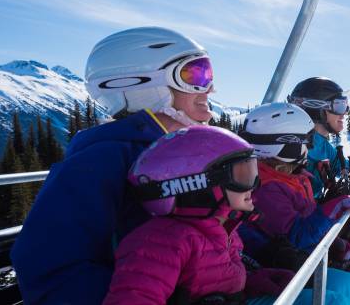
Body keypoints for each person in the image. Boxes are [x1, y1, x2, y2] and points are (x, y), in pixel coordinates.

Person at [11, 27, 218, 304]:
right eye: (194, 75)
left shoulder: (180, 156)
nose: (210, 88)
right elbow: (51, 270)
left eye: (208, 74)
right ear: (141, 85)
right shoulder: (98, 163)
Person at [105, 126, 302, 304]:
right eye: (244, 176)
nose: (254, 186)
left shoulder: (225, 229)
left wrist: (253, 281)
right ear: (198, 186)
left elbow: (212, 280)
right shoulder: (160, 241)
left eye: (252, 172)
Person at [236, 102, 350, 304]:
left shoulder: (291, 176)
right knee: (334, 299)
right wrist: (330, 212)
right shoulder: (267, 188)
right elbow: (295, 236)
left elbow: (306, 217)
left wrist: (332, 241)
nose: (310, 147)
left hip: (293, 260)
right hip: (278, 264)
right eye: (307, 141)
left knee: (348, 284)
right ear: (288, 145)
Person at [288, 77, 350, 302]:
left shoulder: (322, 143)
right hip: (298, 224)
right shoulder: (301, 144)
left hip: (310, 217)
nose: (345, 113)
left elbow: (336, 163)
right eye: (339, 106)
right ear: (317, 110)